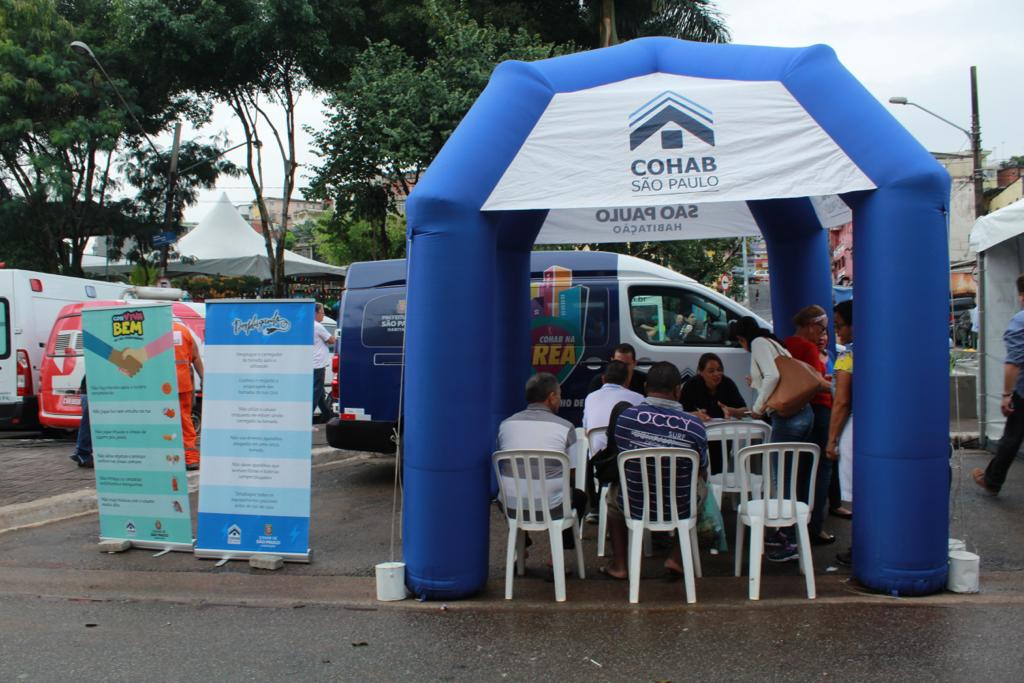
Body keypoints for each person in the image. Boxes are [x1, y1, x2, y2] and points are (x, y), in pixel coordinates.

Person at [600, 362, 708, 580]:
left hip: (634, 504)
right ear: (678, 390)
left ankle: (620, 564)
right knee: (702, 489)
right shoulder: (695, 425)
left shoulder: (626, 419)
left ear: (646, 387)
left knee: (611, 497)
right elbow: (702, 470)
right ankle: (677, 557)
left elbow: (620, 457)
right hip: (680, 506)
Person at [733, 316, 814, 563]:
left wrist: (757, 407)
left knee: (781, 478)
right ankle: (791, 532)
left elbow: (772, 377)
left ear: (741, 338)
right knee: (792, 476)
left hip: (787, 418)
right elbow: (775, 375)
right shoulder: (773, 342)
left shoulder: (757, 343)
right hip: (804, 413)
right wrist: (755, 382)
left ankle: (788, 539)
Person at [496, 372, 587, 550]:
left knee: (518, 485)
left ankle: (519, 549)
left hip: (511, 506)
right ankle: (556, 557)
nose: (560, 400)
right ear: (551, 397)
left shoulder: (505, 425)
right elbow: (572, 472)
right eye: (559, 395)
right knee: (579, 497)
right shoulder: (565, 427)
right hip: (551, 508)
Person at [784, 305, 835, 546]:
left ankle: (795, 524)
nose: (824, 334)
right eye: (823, 328)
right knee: (821, 467)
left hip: (796, 412)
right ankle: (814, 525)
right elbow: (817, 382)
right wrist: (836, 385)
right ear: (812, 326)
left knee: (801, 469)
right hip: (819, 409)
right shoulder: (807, 347)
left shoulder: (787, 345)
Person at [974, 275, 1024, 496]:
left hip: (1022, 393)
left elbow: (1014, 363)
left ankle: (993, 480)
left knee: (1011, 438)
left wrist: (1006, 394)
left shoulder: (1020, 321)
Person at [680, 352, 748, 474]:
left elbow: (745, 411)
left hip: (722, 436)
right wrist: (694, 414)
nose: (717, 374)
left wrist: (732, 411)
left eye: (719, 370)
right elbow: (679, 413)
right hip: (698, 436)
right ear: (700, 372)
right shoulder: (691, 385)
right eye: (711, 371)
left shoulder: (727, 383)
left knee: (719, 470)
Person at [827, 300, 854, 566]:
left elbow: (842, 402)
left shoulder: (848, 357)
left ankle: (860, 548)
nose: (839, 333)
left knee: (859, 498)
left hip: (854, 432)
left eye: (841, 326)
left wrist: (832, 439)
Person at [582, 360, 644, 454]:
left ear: (603, 379)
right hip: (626, 460)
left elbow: (586, 431)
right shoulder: (639, 399)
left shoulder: (590, 397)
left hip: (597, 462)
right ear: (627, 380)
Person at [173, 320, 204, 471]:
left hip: (159, 386)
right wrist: (204, 377)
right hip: (182, 384)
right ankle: (191, 458)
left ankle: (168, 457)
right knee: (185, 420)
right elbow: (196, 357)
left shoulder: (153, 331)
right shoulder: (183, 331)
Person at [312, 302, 337, 425]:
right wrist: (337, 335)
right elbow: (331, 340)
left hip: (312, 364)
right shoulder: (317, 326)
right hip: (318, 365)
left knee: (320, 393)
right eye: (322, 312)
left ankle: (327, 415)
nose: (323, 315)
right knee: (316, 392)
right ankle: (306, 421)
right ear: (316, 313)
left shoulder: (308, 325)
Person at [70, 375, 93, 468]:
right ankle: (82, 453)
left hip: (91, 390)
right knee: (88, 423)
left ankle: (82, 453)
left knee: (88, 423)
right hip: (92, 391)